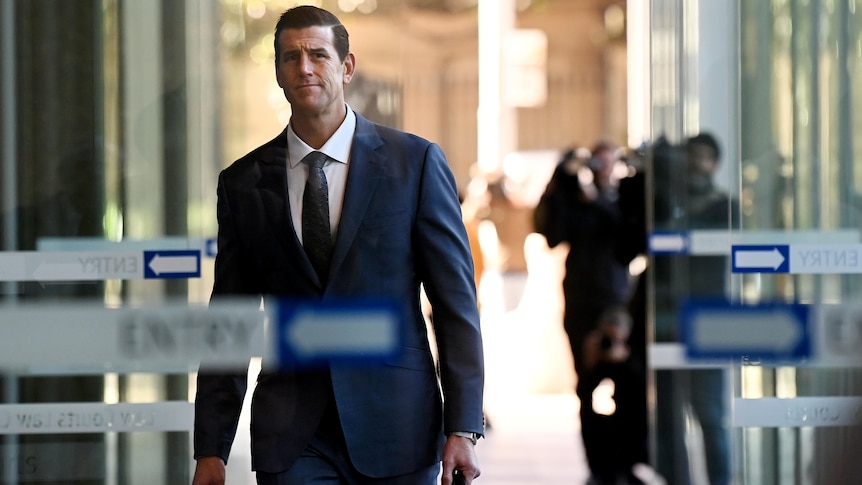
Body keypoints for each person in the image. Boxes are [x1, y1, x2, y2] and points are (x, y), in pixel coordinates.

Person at [191, 6, 484, 485]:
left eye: (317, 55)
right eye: (290, 57)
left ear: (346, 67)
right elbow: (231, 316)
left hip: (398, 425)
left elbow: (456, 305)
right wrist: (211, 448)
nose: (304, 67)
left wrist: (464, 426)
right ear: (279, 73)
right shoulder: (243, 183)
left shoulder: (415, 163)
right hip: (292, 435)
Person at [534, 142, 644, 484]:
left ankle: (626, 464)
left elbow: (633, 239)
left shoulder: (622, 200)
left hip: (617, 304)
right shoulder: (574, 200)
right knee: (587, 386)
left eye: (610, 162)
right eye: (598, 162)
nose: (604, 169)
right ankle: (598, 467)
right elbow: (551, 233)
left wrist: (598, 200)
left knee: (629, 385)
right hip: (581, 303)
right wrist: (560, 179)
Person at [653, 132, 735, 485]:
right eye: (690, 157)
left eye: (703, 157)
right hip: (669, 312)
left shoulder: (724, 206)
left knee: (710, 413)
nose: (695, 164)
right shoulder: (665, 201)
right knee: (670, 416)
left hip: (711, 314)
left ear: (715, 163)